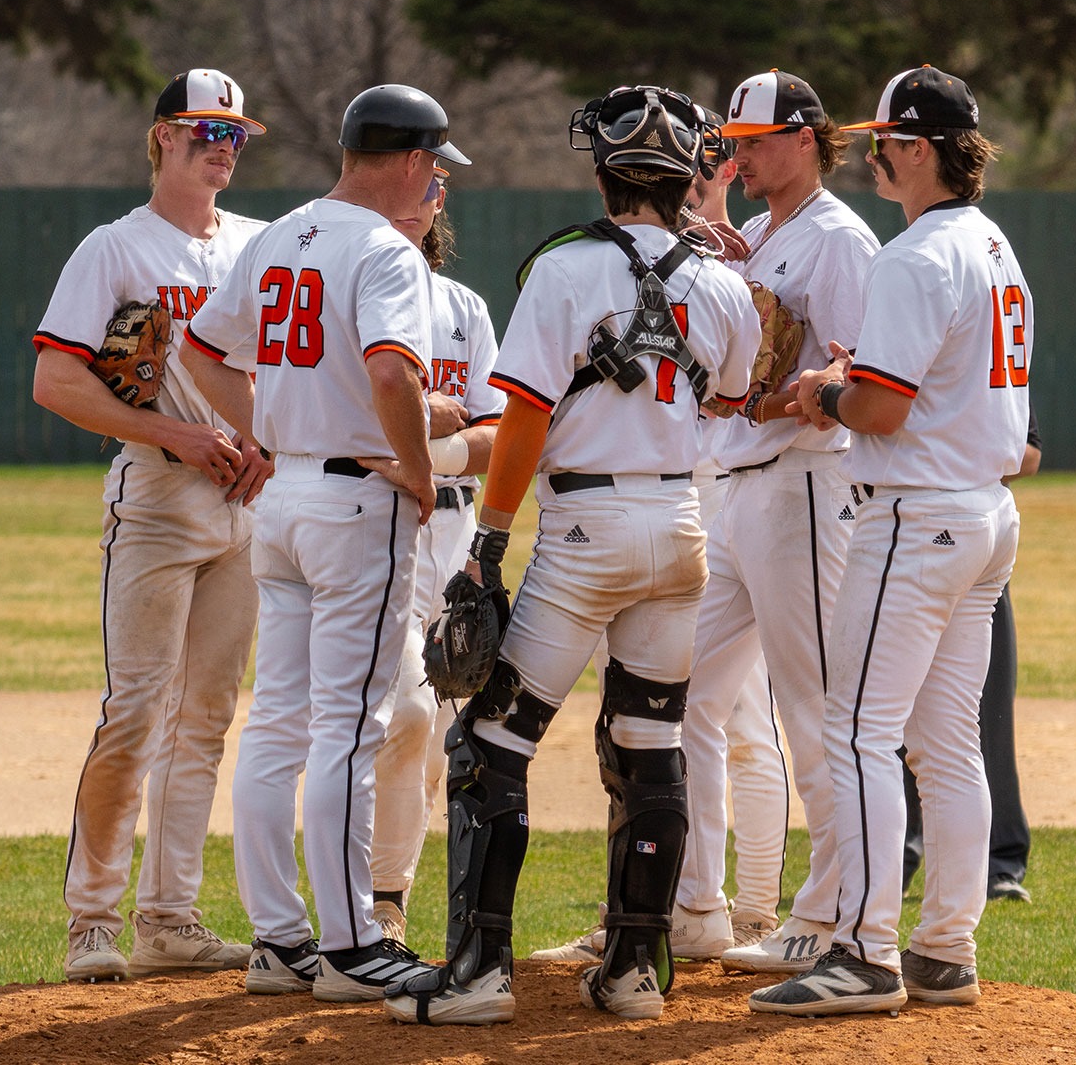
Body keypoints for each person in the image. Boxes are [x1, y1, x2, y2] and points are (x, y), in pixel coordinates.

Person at [384, 84, 759, 1026]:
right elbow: (728, 398)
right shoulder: (721, 283)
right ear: (687, 177)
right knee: (649, 744)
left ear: (603, 170)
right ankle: (636, 972)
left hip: (587, 532)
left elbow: (524, 418)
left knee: (487, 746)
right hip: (680, 530)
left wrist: (488, 542)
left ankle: (475, 978)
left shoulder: (565, 266)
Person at [750, 64, 1033, 1018]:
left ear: (917, 149)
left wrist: (822, 392)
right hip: (984, 514)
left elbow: (879, 406)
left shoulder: (916, 255)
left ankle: (864, 954)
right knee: (947, 743)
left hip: (916, 514)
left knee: (860, 729)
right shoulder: (992, 242)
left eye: (886, 141)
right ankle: (945, 948)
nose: (875, 154)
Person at [182, 83, 468, 1003]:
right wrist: (420, 469)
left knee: (277, 727)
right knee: (349, 728)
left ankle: (279, 940)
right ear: (416, 162)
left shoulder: (277, 233)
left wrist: (264, 434)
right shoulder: (388, 250)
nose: (438, 192)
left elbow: (198, 350)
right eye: (437, 172)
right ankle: (351, 949)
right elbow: (391, 371)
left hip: (285, 499)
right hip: (355, 501)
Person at [31, 68, 272, 983]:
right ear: (162, 136)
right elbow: (58, 381)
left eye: (235, 134)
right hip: (160, 501)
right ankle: (92, 920)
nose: (222, 147)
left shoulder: (257, 246)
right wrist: (172, 431)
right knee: (135, 708)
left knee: (206, 716)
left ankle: (170, 916)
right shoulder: (115, 249)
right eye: (206, 130)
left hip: (244, 503)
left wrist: (267, 445)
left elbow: (280, 375)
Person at [682, 69, 880, 975]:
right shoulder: (760, 232)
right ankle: (691, 907)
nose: (739, 156)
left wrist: (789, 391)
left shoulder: (839, 241)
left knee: (815, 707)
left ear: (807, 138)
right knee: (685, 695)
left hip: (804, 488)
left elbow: (855, 382)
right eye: (734, 141)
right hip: (740, 489)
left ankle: (833, 915)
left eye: (755, 140)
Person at [369, 167, 503, 944]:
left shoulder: (462, 310)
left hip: (451, 533)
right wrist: (422, 414)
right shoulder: (349, 294)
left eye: (439, 186)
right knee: (407, 714)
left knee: (431, 747)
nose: (430, 196)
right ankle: (377, 901)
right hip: (375, 524)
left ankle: (389, 905)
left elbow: (500, 437)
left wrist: (435, 445)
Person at [901, 410, 1042, 903]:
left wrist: (959, 443)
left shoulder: (990, 341)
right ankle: (897, 853)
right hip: (905, 528)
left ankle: (1000, 860)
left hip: (975, 528)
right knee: (891, 706)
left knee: (986, 712)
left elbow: (1029, 453)